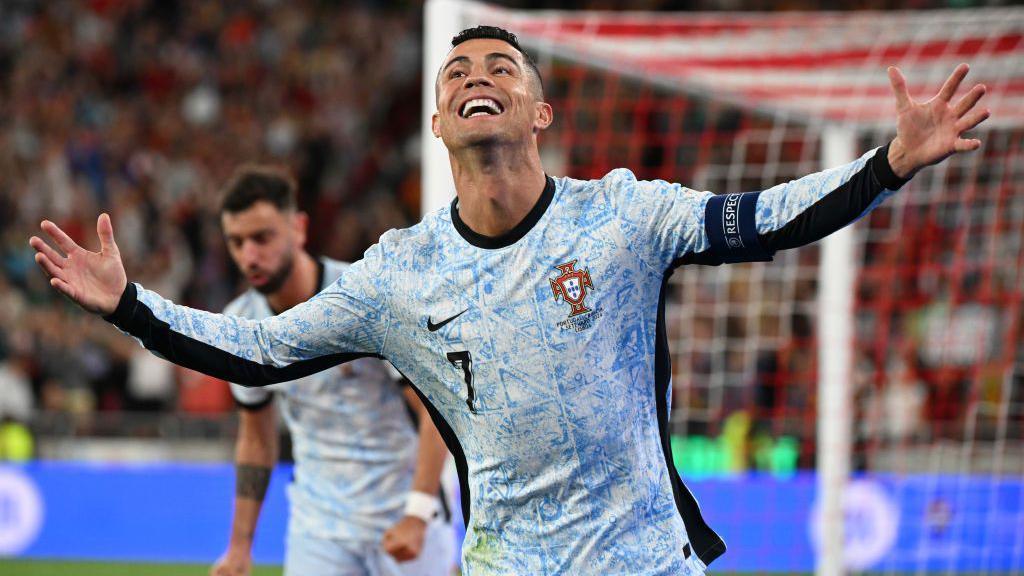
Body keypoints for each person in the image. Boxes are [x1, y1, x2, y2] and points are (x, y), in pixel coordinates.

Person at [30, 25, 989, 575]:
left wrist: (888, 163)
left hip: (649, 563)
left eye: (500, 69)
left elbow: (762, 219)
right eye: (457, 75)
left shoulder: (623, 216)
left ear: (540, 111)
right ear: (440, 122)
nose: (475, 76)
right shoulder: (398, 275)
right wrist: (131, 306)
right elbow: (260, 354)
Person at [214, 165, 454, 576]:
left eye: (262, 238)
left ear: (299, 228)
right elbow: (255, 440)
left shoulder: (364, 297)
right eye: (236, 242)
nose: (249, 256)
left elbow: (435, 410)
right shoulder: (242, 327)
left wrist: (418, 511)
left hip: (404, 515)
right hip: (319, 530)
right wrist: (239, 547)